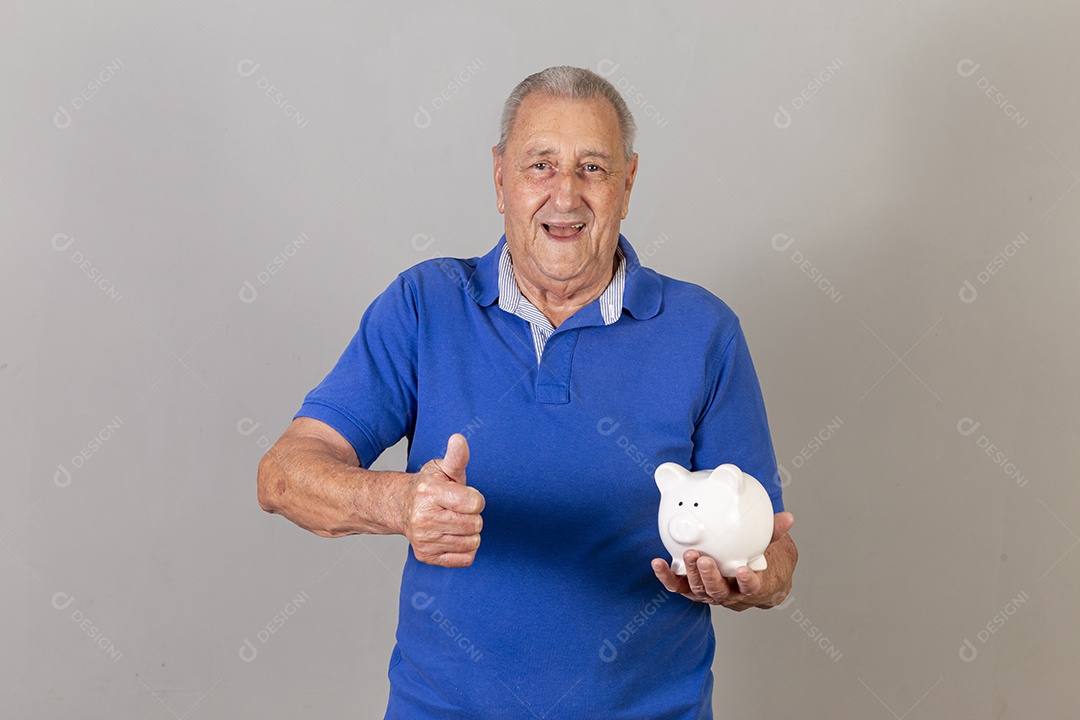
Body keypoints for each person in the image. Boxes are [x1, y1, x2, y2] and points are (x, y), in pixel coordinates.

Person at [258, 65, 797, 719]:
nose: (565, 195)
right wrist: (400, 502)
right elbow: (283, 474)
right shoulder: (425, 306)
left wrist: (754, 578)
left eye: (592, 168)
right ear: (500, 179)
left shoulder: (703, 330)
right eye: (540, 165)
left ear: (626, 183)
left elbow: (773, 546)